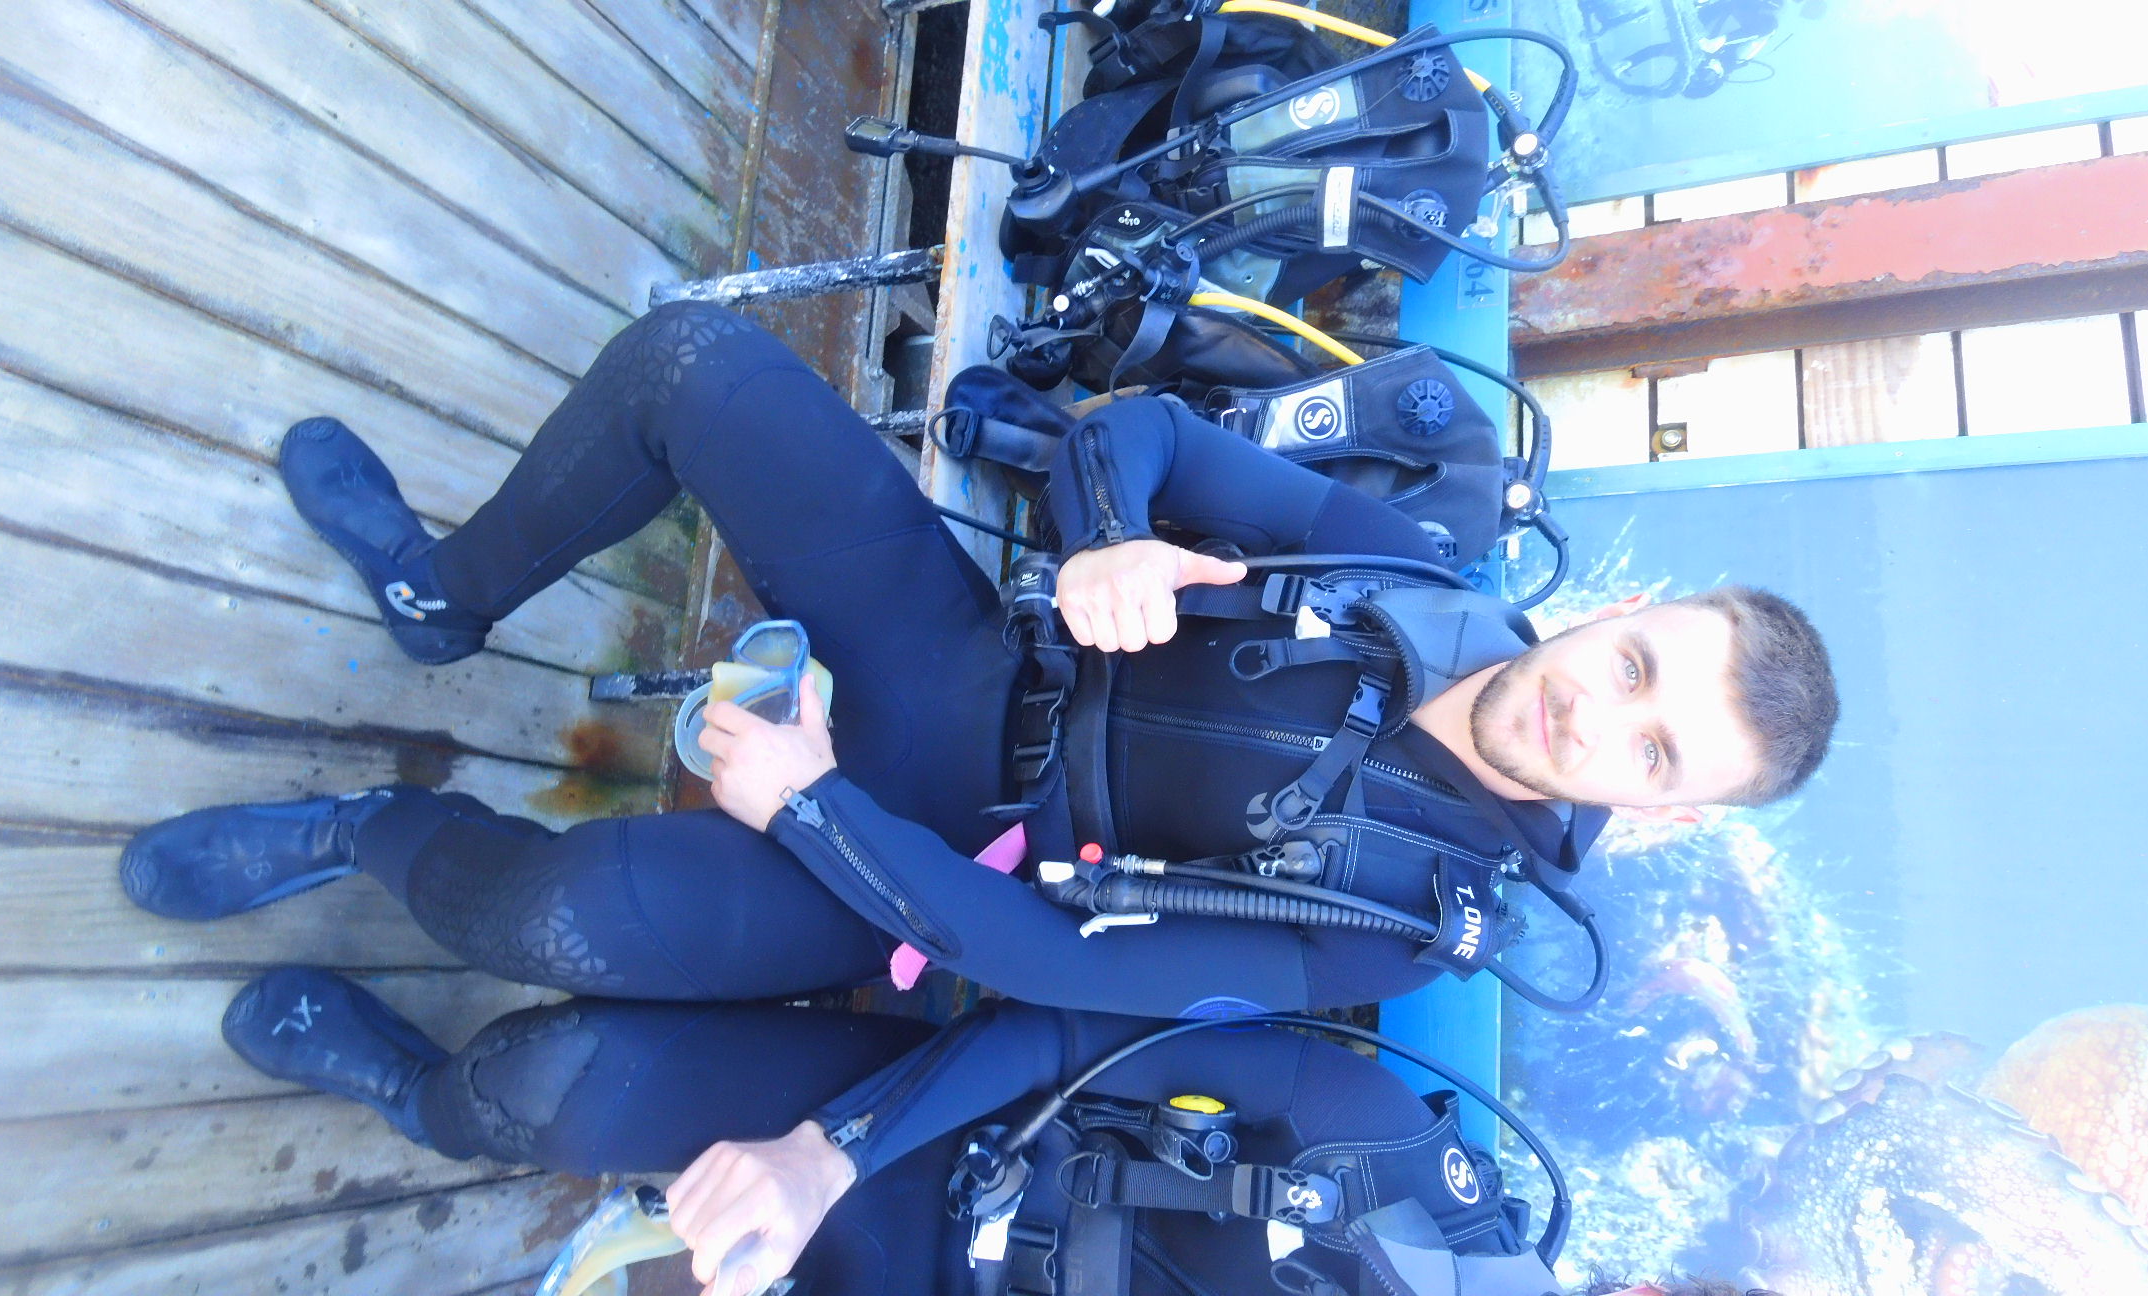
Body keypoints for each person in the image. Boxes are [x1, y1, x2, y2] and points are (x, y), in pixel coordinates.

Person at [120, 302, 1839, 1017]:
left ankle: (361, 831)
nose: (1598, 714)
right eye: (1641, 666)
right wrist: (1108, 533)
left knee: (553, 923)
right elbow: (1139, 432)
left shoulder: (1411, 927)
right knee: (693, 365)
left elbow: (1054, 967)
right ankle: (442, 598)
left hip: (930, 863)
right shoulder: (1409, 570)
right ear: (1624, 612)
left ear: (1663, 815)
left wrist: (810, 810)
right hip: (950, 650)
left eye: (1657, 752)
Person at [216, 965, 1555, 1296]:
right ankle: (420, 1094)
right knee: (535, 1080)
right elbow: (1071, 1027)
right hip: (930, 1154)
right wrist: (827, 1154)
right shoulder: (1384, 1152)